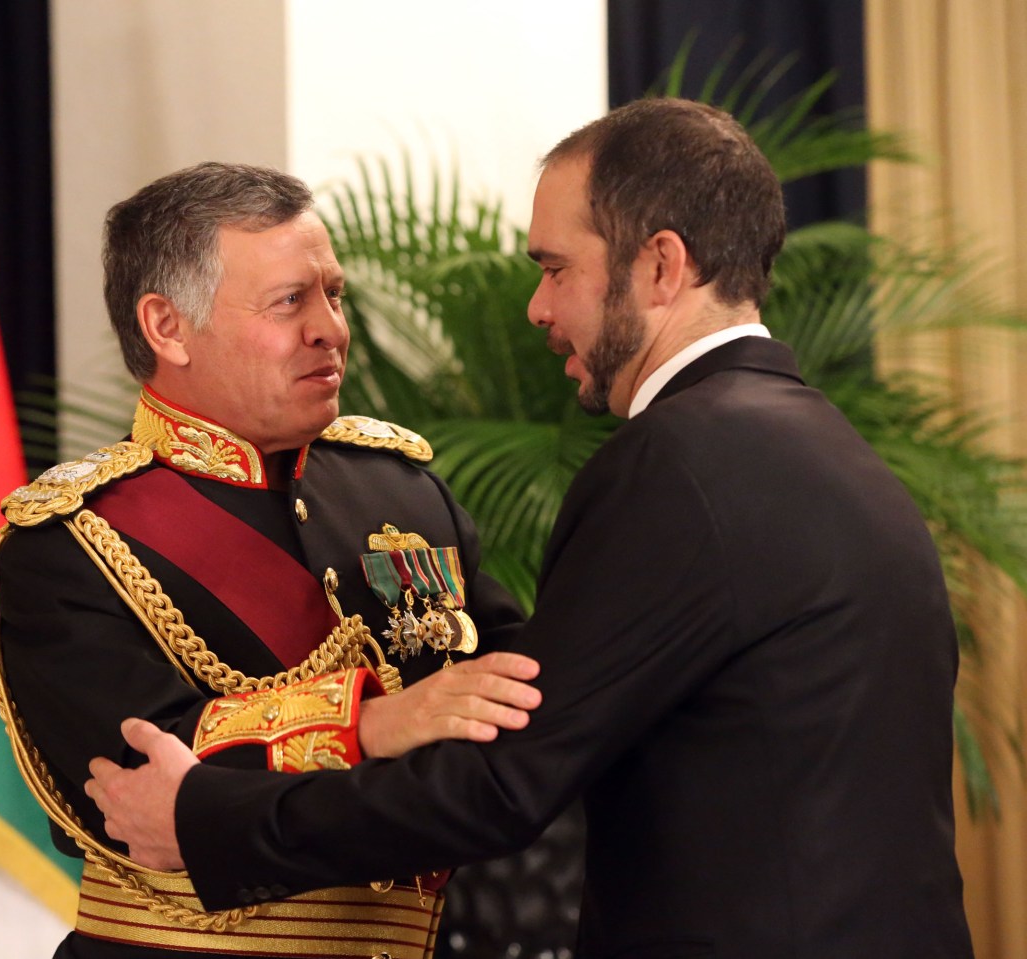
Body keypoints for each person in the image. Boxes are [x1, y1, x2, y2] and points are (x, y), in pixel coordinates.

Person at [84, 100, 977, 958]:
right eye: (289, 302)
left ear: (661, 266)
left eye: (556, 269)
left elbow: (506, 781)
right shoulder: (828, 447)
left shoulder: (677, 461)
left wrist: (203, 817)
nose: (537, 309)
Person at [0, 161, 536, 959]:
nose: (331, 329)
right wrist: (374, 724)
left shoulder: (402, 491)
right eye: (290, 302)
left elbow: (507, 701)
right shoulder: (68, 541)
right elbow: (137, 778)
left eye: (334, 295)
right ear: (167, 327)